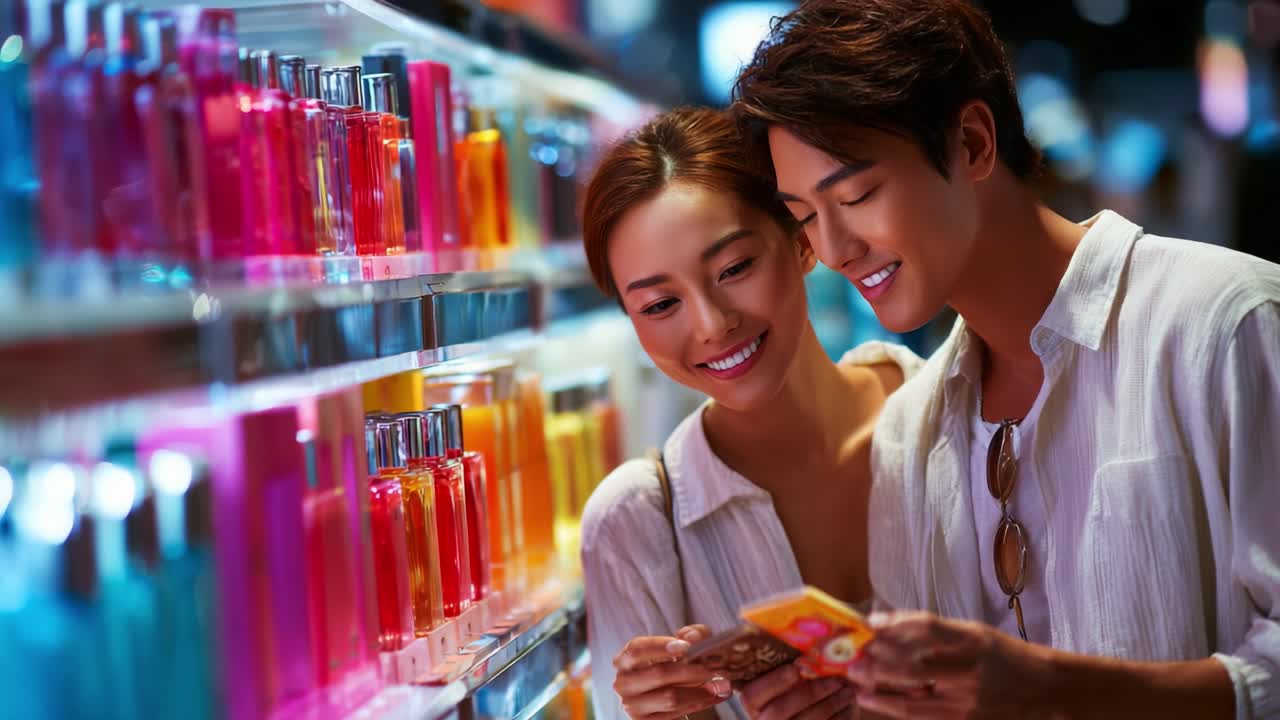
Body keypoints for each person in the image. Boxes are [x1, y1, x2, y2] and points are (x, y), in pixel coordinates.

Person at [732, 1, 1280, 718]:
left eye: (857, 195)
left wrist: (1054, 689)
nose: (834, 249)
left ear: (972, 142)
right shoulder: (910, 432)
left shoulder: (1224, 321)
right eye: (804, 216)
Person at [578, 107, 922, 720]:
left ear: (800, 238)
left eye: (734, 269)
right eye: (660, 305)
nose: (712, 325)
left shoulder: (956, 414)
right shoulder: (632, 523)